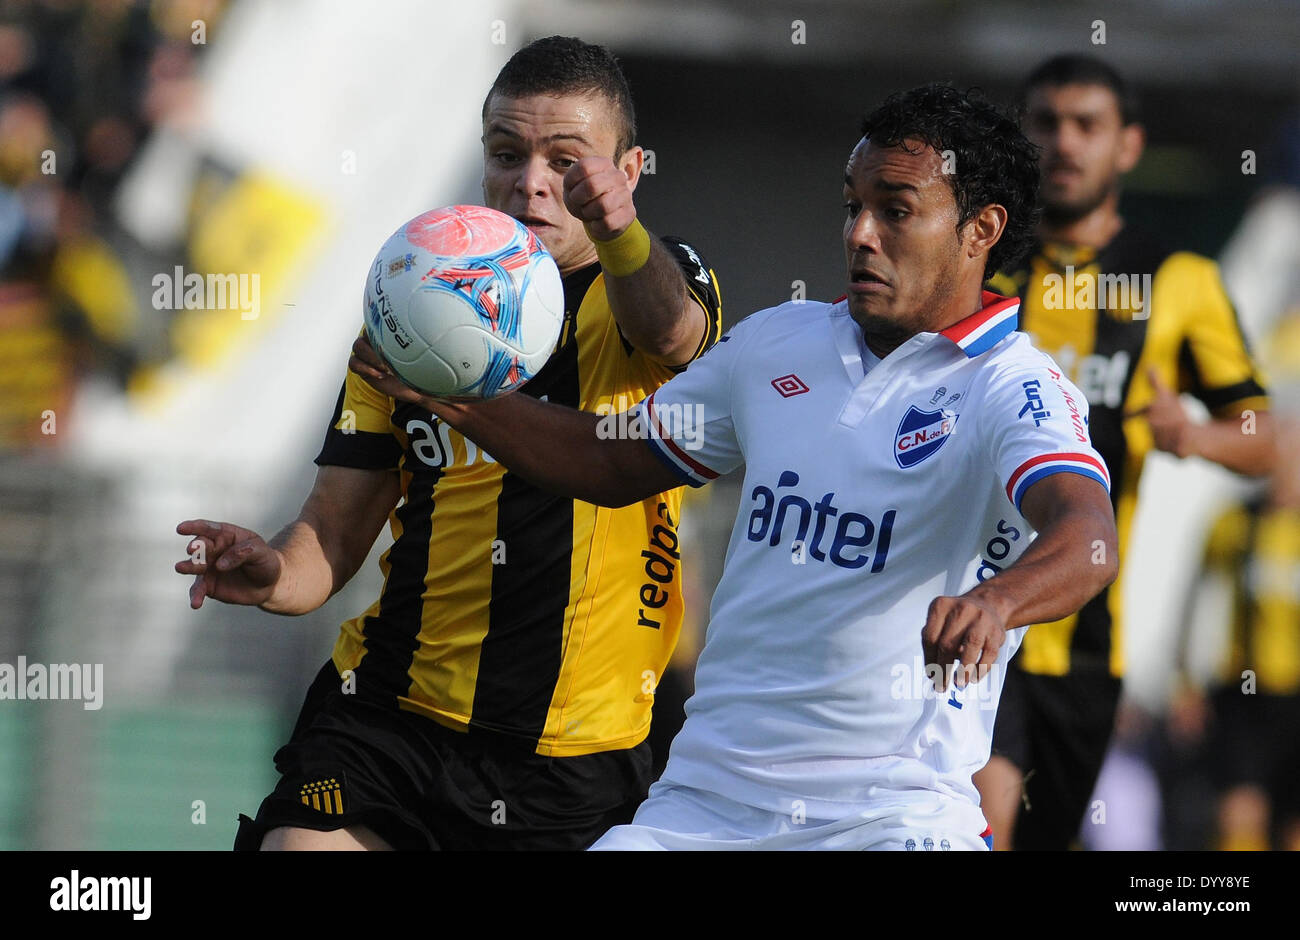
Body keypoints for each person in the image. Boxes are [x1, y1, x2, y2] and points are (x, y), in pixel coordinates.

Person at [349, 83, 1119, 850]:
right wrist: (456, 400)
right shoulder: (778, 345)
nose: (859, 233)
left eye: (895, 209)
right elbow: (605, 460)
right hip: (702, 809)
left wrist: (999, 602)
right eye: (851, 205)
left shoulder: (1012, 386)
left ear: (981, 228)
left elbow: (1089, 536)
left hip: (892, 817)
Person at [174, 35, 723, 851]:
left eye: (566, 160)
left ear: (630, 170)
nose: (532, 181)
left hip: (574, 754)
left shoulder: (654, 278)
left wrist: (622, 233)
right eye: (507, 153)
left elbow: (673, 330)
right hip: (392, 716)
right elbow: (334, 528)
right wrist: (277, 571)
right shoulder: (409, 306)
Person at [978, 54, 1276, 850]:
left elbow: (1267, 439)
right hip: (971, 620)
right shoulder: (978, 269)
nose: (1065, 144)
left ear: (1129, 146)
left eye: (1088, 125)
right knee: (981, 824)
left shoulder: (1179, 280)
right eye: (1046, 123)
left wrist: (1196, 435)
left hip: (1088, 642)